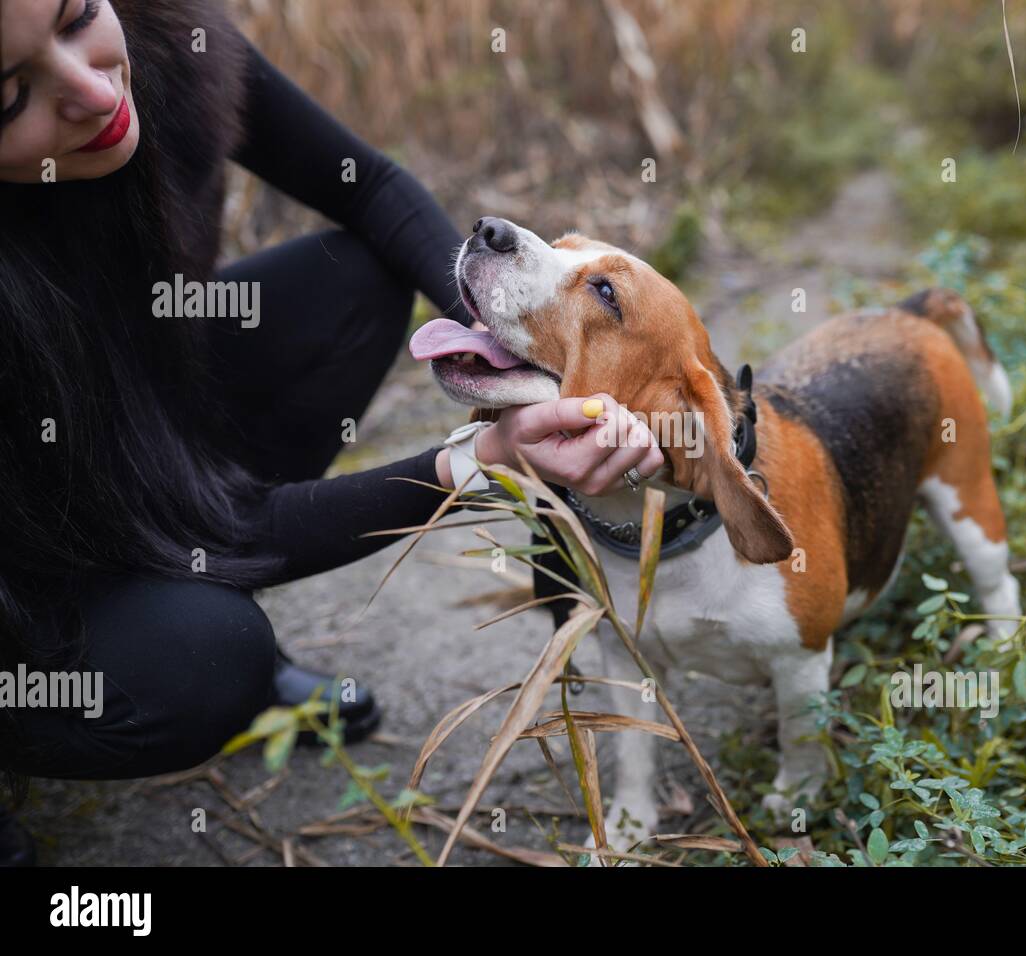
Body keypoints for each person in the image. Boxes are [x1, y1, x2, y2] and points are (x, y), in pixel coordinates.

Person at [0, 0, 662, 865]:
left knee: (353, 283)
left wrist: (505, 342)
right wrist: (477, 461)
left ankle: (194, 591)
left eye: (76, 14)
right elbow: (221, 525)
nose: (93, 89)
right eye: (11, 97)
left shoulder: (168, 40)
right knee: (207, 658)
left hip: (128, 437)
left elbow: (374, 189)